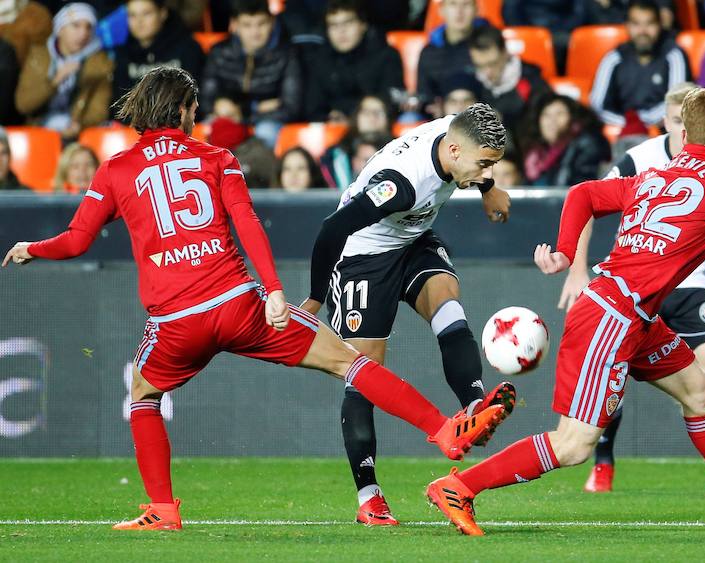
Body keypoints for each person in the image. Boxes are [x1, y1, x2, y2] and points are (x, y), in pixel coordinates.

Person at [1, 67, 511, 531]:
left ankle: (162, 509)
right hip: (242, 304)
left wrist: (32, 249)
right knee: (349, 363)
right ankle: (444, 431)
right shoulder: (217, 158)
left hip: (177, 320)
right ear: (181, 111)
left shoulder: (115, 170)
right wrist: (273, 291)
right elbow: (247, 226)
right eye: (195, 110)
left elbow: (76, 240)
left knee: (143, 394)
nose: (197, 118)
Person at [426, 86, 705, 536]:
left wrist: (568, 253)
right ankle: (459, 487)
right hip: (612, 315)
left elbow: (584, 193)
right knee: (573, 445)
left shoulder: (653, 176)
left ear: (684, 135)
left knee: (701, 392)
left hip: (633, 313)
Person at [302, 103, 517, 526]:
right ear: (454, 152)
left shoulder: (460, 135)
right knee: (365, 374)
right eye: (484, 165)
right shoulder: (400, 184)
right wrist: (313, 297)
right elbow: (333, 228)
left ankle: (474, 408)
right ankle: (370, 497)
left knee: (447, 303)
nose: (487, 170)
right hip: (361, 257)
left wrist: (488, 187)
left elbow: (476, 142)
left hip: (412, 238)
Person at [560, 83, 705, 492]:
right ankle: (603, 463)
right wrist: (576, 268)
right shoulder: (640, 159)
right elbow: (589, 200)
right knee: (609, 379)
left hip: (688, 283)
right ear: (671, 123)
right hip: (636, 284)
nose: (679, 129)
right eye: (673, 121)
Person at [201, 0, 302, 148]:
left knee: (265, 131)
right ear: (234, 25)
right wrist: (253, 107)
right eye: (247, 25)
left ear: (272, 22)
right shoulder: (219, 53)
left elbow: (291, 108)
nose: (255, 32)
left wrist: (242, 115)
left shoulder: (287, 54)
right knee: (212, 130)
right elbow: (204, 100)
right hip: (224, 118)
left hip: (265, 123)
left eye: (261, 24)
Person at [589, 0, 690, 135]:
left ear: (660, 25)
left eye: (649, 24)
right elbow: (597, 106)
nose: (643, 31)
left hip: (664, 133)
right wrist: (630, 124)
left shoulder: (673, 55)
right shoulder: (614, 58)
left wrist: (642, 123)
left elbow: (678, 101)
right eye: (636, 24)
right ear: (627, 26)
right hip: (622, 133)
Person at [15, 3, 112, 141]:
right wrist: (55, 81)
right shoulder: (38, 56)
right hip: (39, 131)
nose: (83, 33)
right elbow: (23, 105)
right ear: (60, 29)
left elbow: (99, 109)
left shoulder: (100, 63)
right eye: (76, 25)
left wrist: (79, 126)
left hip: (78, 133)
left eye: (88, 27)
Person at [302, 0, 404, 123]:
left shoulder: (386, 55)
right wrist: (330, 117)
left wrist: (350, 117)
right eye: (333, 25)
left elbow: (389, 102)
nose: (341, 31)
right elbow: (313, 108)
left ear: (363, 24)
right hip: (333, 128)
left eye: (348, 23)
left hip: (378, 129)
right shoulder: (319, 60)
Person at [111, 0, 204, 100]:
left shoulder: (188, 48)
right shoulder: (122, 53)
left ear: (163, 14)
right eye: (132, 15)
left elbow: (196, 95)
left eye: (146, 13)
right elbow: (119, 101)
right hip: (135, 115)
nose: (139, 21)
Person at [466, 25, 552, 127]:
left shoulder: (532, 80)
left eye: (493, 63)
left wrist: (503, 119)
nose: (487, 73)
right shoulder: (469, 83)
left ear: (505, 53)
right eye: (479, 66)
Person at [417, 0, 491, 116]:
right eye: (453, 4)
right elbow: (424, 94)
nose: (459, 12)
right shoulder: (429, 51)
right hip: (441, 120)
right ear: (441, 10)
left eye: (466, 4)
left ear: (476, 9)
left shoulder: (489, 45)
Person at [519, 93, 611, 186]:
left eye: (560, 114)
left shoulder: (587, 144)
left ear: (573, 118)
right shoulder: (535, 155)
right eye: (546, 115)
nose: (552, 120)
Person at [320, 95, 394, 190]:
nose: (372, 118)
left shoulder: (400, 149)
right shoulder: (334, 156)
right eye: (366, 112)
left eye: (378, 112)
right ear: (356, 117)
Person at [206, 95, 278, 189]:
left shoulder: (260, 153)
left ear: (242, 118)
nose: (222, 122)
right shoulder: (199, 151)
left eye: (229, 116)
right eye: (218, 116)